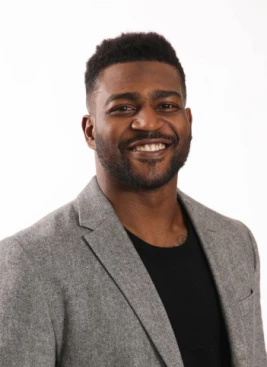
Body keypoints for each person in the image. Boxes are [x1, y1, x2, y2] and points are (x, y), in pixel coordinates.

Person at [0, 32, 266, 367]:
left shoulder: (236, 242)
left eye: (166, 106)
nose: (148, 123)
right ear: (90, 131)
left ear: (188, 122)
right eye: (124, 108)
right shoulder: (29, 263)